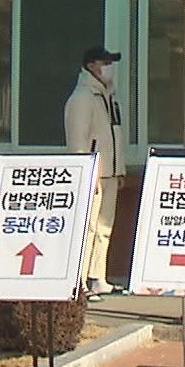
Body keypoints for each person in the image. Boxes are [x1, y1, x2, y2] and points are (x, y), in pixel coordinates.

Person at [63, 46, 125, 299]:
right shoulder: (82, 98)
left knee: (103, 228)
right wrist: (87, 171)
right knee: (87, 228)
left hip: (110, 172)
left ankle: (98, 276)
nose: (109, 68)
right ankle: (79, 281)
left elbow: (115, 135)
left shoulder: (109, 97)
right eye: (104, 63)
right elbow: (78, 140)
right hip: (93, 174)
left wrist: (119, 169)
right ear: (91, 66)